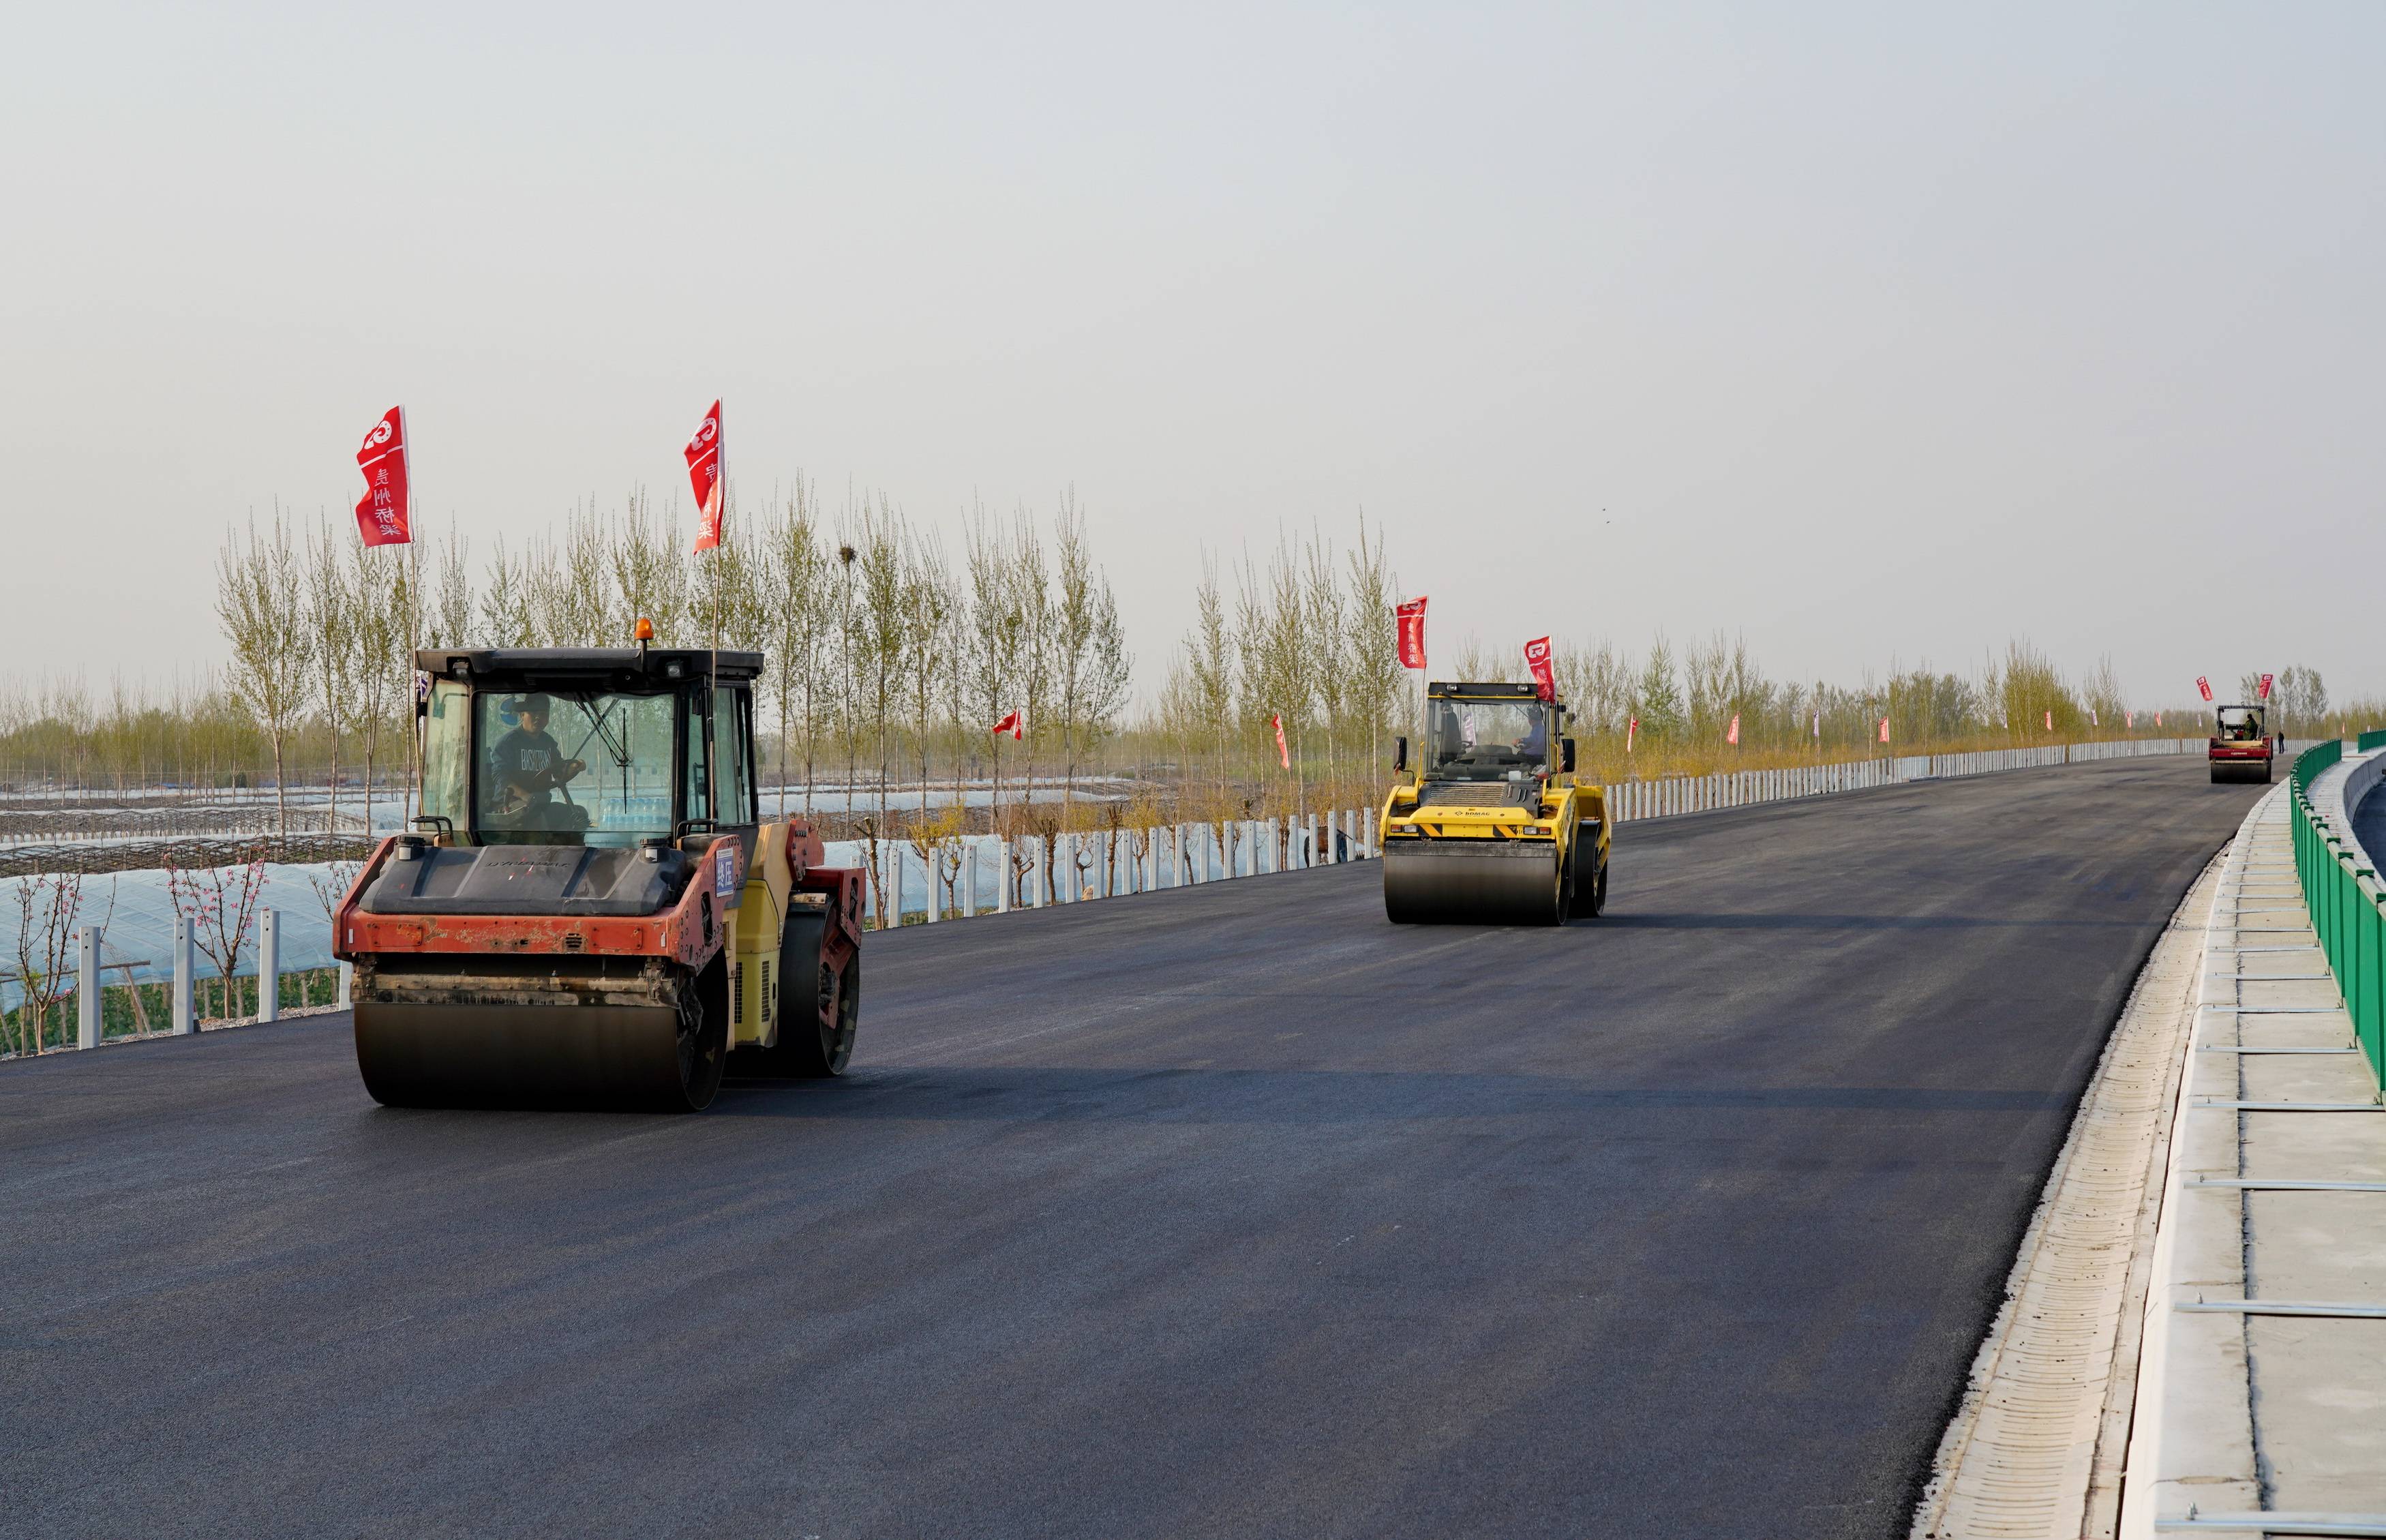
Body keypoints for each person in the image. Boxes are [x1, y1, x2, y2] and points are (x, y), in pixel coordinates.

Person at [485, 695, 586, 827]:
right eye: (533, 713)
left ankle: (568, 847)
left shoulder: (548, 742)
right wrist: (526, 796)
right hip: (508, 806)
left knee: (578, 814)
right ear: (522, 715)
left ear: (548, 719)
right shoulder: (508, 743)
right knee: (536, 817)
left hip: (540, 804)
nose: (538, 717)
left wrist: (575, 766)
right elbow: (500, 777)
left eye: (543, 714)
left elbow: (560, 771)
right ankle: (545, 847)